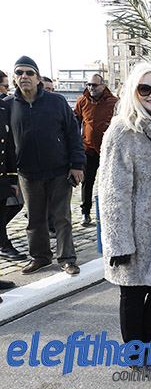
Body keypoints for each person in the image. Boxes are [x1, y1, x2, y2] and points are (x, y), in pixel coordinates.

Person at [98, 61, 151, 368]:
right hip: (134, 228)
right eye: (144, 88)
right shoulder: (122, 130)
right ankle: (137, 353)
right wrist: (118, 242)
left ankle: (145, 344)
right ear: (133, 91)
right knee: (133, 293)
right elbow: (111, 191)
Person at [5, 56, 85, 276]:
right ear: (14, 78)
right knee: (34, 219)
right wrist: (10, 176)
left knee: (62, 217)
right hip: (27, 173)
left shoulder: (56, 101)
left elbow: (73, 134)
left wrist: (77, 164)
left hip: (59, 170)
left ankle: (67, 258)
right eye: (19, 72)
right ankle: (40, 257)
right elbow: (6, 144)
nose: (24, 76)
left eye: (29, 73)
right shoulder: (8, 105)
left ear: (38, 78)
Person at [74, 73, 118, 226]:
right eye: (89, 85)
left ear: (103, 86)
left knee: (110, 182)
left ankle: (110, 212)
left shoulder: (114, 102)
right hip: (89, 150)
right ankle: (85, 212)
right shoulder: (82, 101)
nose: (91, 88)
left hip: (108, 150)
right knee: (87, 182)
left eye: (94, 85)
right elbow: (75, 123)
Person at [0, 98, 26, 262]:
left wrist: (12, 178)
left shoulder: (3, 107)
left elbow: (8, 145)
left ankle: (3, 245)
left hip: (1, 175)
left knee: (2, 213)